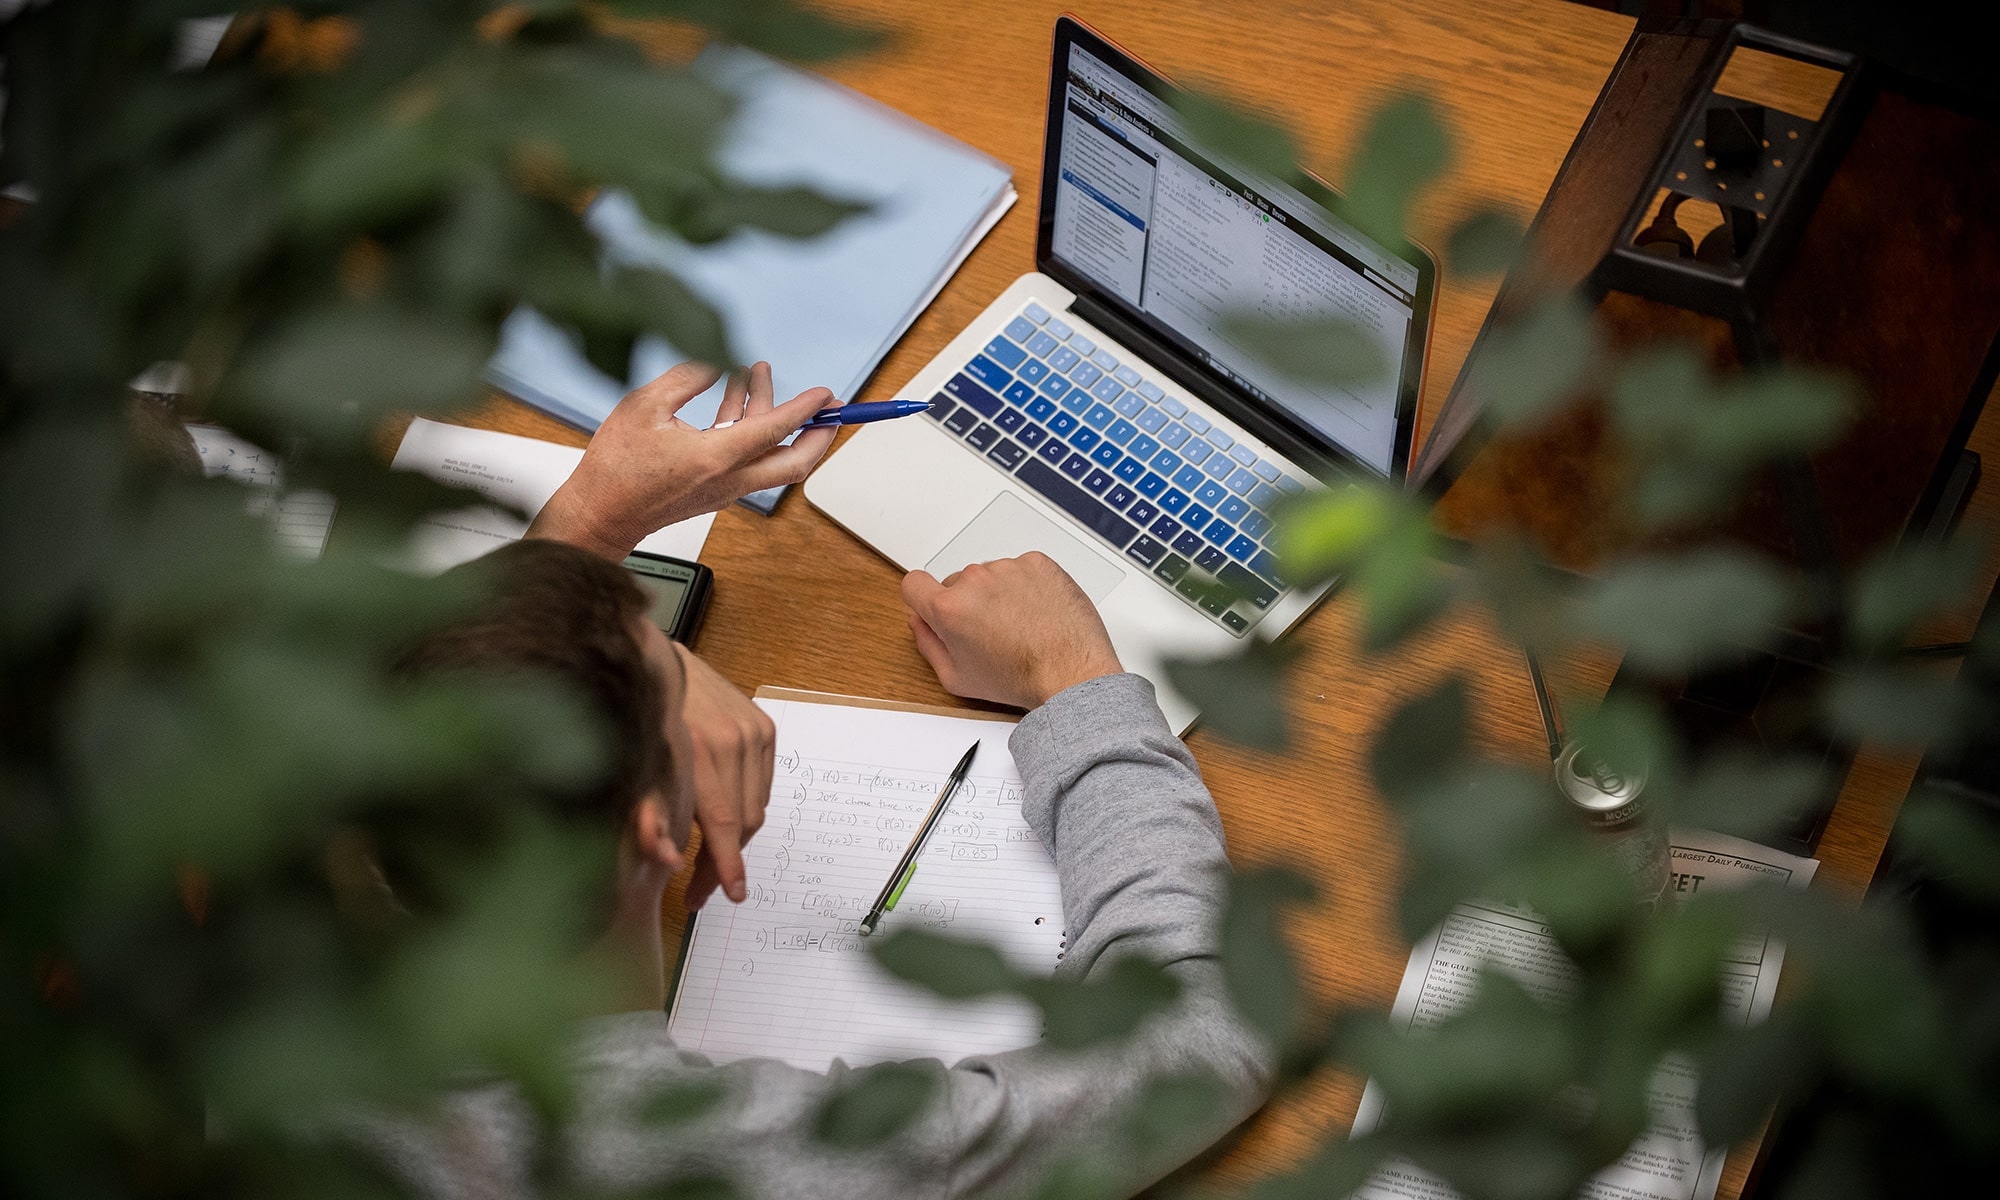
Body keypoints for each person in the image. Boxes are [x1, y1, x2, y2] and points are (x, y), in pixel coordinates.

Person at [360, 362, 1275, 1198]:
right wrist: (1075, 677)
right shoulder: (722, 1159)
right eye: (676, 684)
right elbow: (1203, 1037)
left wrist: (588, 530)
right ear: (656, 833)